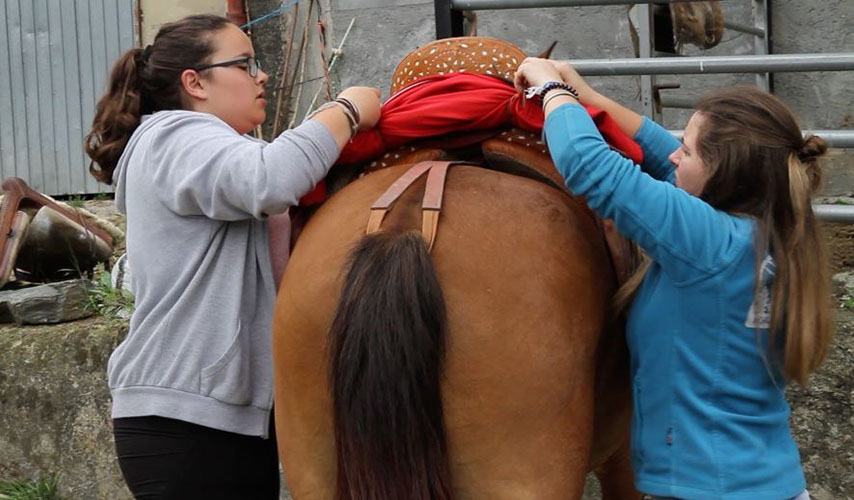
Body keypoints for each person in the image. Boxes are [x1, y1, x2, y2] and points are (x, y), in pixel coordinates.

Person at [84, 14, 381, 499]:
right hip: (182, 424)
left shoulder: (216, 147)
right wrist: (346, 108)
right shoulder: (175, 135)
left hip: (221, 419)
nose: (261, 76)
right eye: (245, 64)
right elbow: (272, 179)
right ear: (194, 82)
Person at [514, 57, 832, 500]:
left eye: (689, 147)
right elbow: (658, 153)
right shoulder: (769, 228)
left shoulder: (708, 241)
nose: (673, 153)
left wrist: (550, 90)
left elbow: (591, 167)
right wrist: (591, 98)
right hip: (763, 483)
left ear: (724, 170)